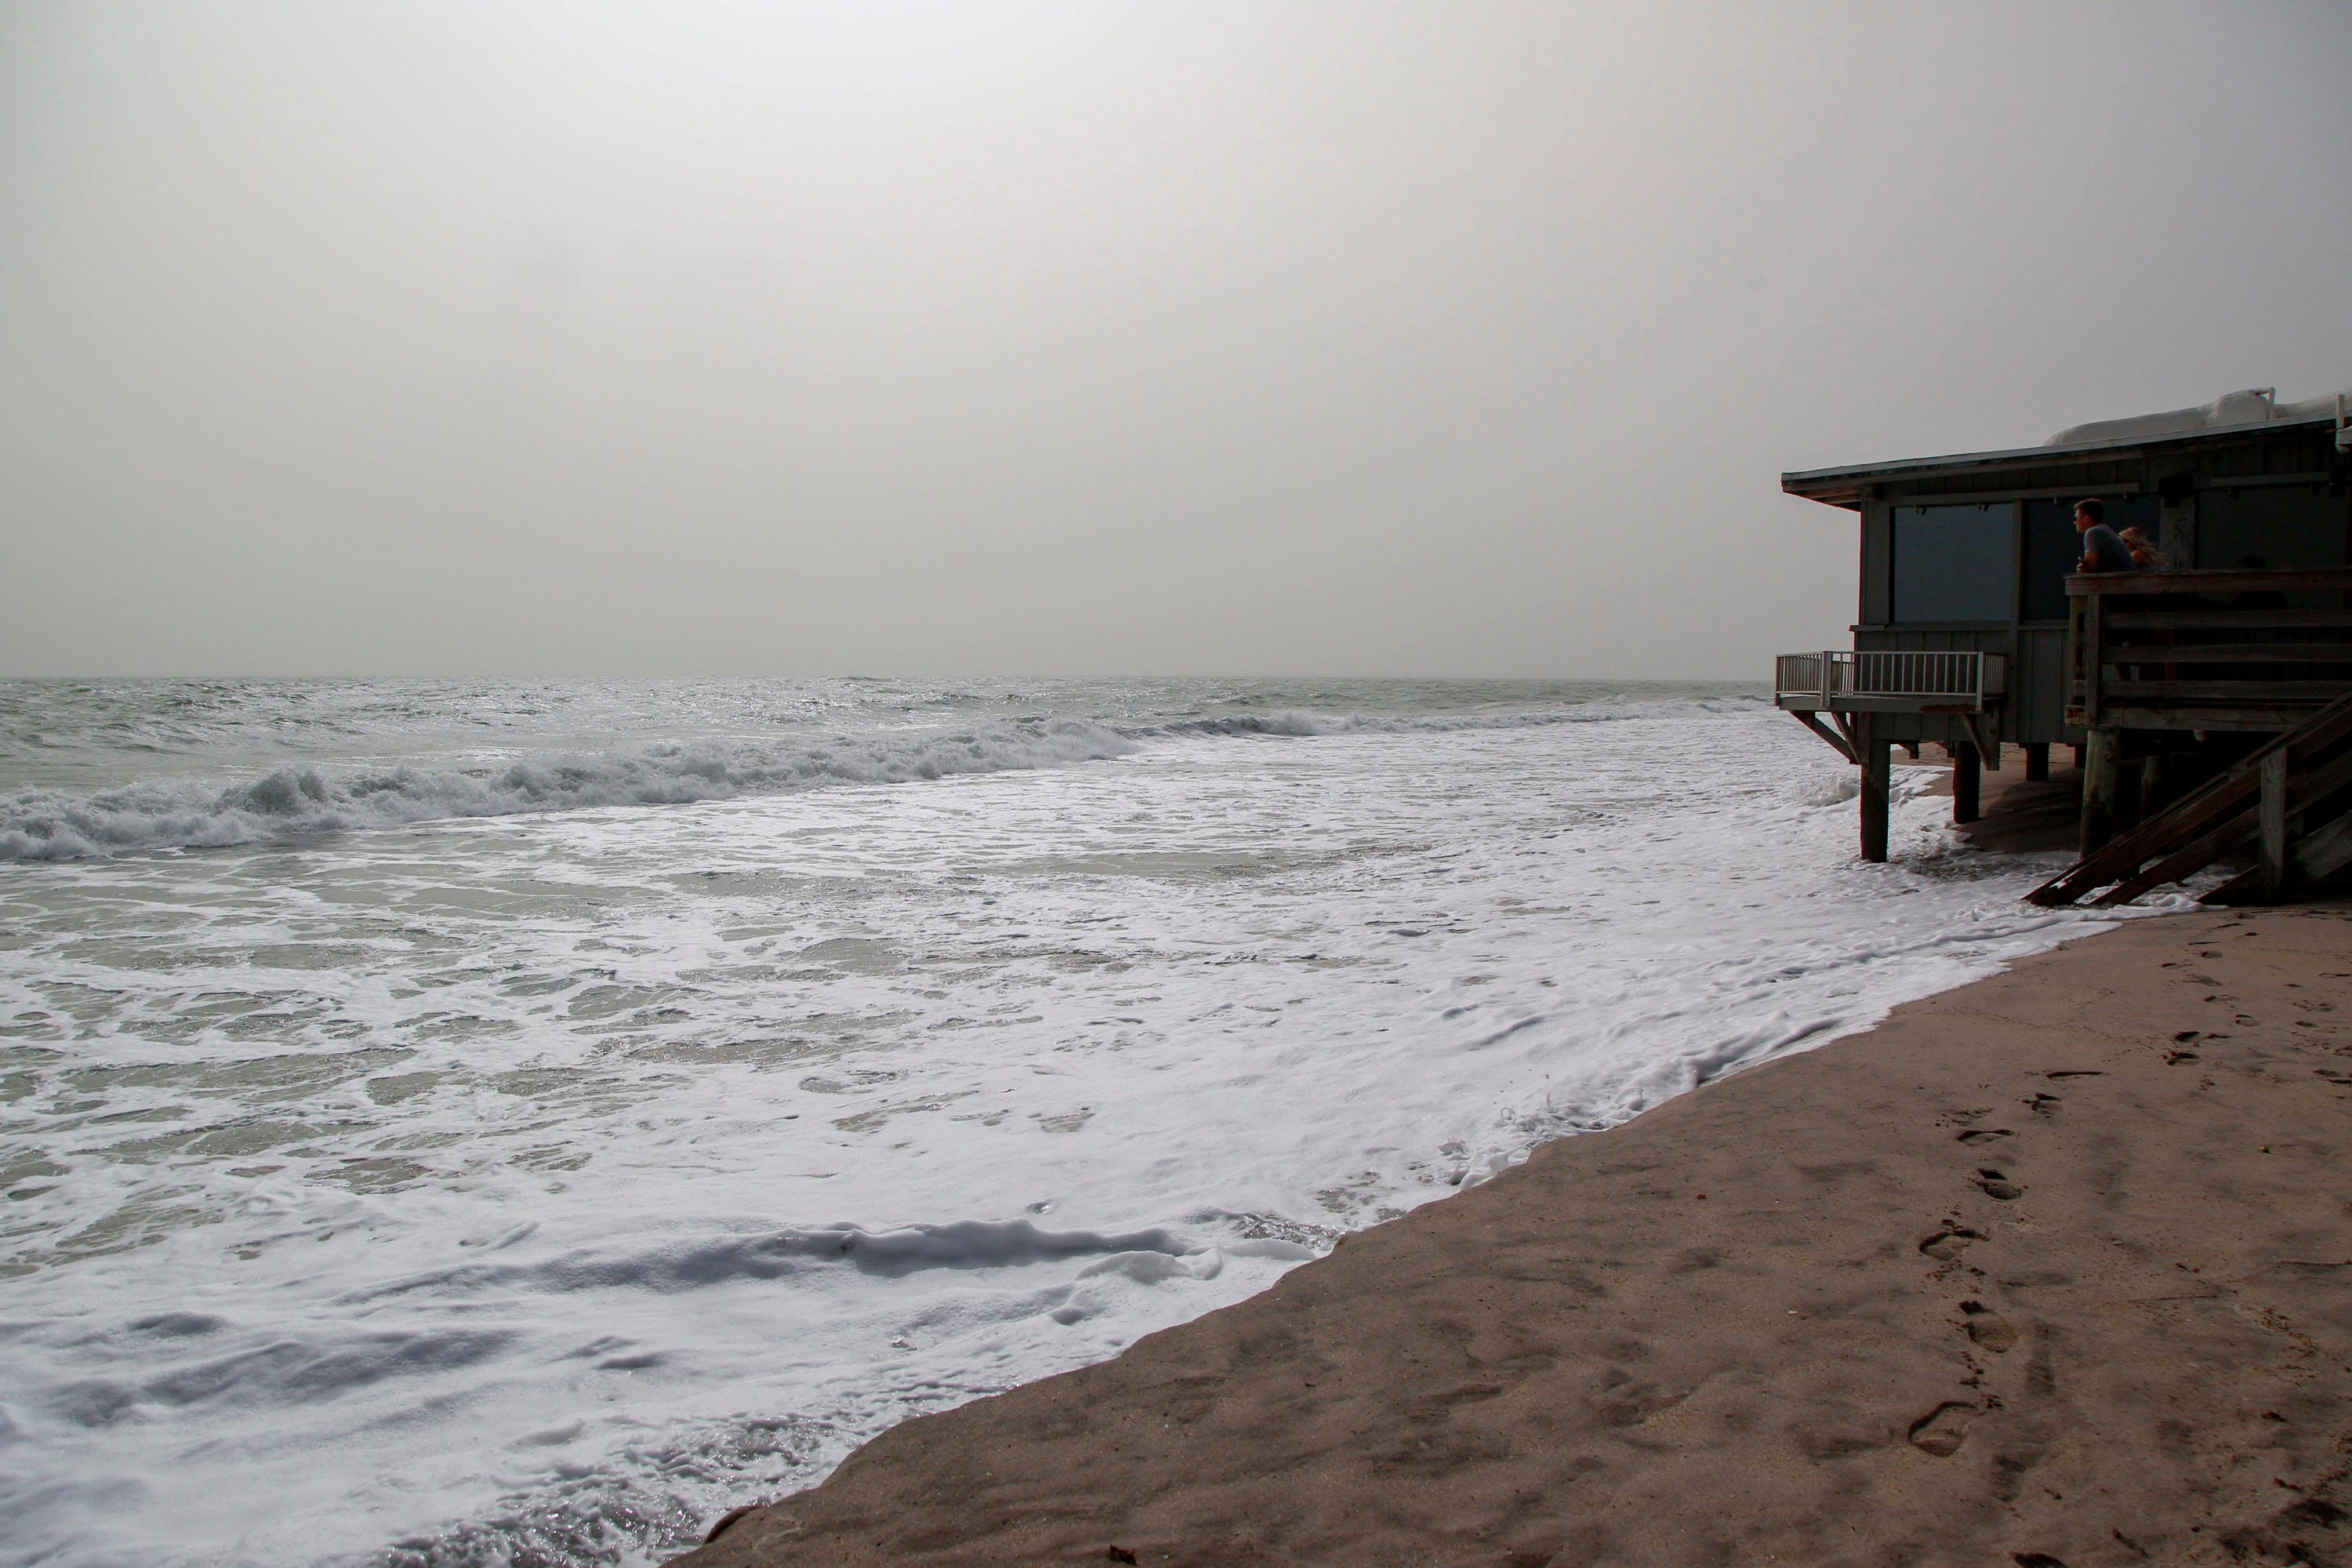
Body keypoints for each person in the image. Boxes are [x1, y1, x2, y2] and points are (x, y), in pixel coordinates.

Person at [2072, 498, 2139, 573]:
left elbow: (2090, 572)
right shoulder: (2105, 530)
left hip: (2119, 582)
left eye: (2075, 518)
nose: (2074, 522)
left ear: (2086, 518)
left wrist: (2082, 570)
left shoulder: (2093, 532)